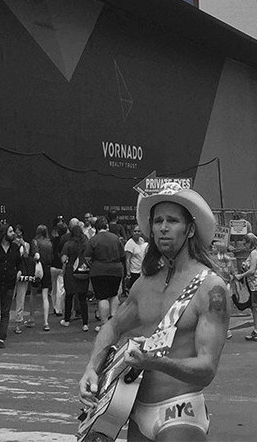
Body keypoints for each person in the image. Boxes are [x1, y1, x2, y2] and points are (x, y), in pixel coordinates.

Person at [78, 184, 228, 441]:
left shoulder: (211, 289)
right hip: (136, 410)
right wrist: (92, 367)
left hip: (182, 410)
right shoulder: (145, 284)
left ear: (190, 229)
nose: (163, 227)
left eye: (172, 220)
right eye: (158, 220)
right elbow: (114, 326)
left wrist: (156, 363)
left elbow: (207, 369)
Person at [226, 220, 257, 341]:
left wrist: (241, 276)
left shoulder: (254, 254)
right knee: (253, 307)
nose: (244, 246)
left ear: (249, 243)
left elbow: (252, 270)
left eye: (245, 244)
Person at [88, 216, 125, 329]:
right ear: (107, 226)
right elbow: (122, 256)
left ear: (96, 227)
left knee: (102, 297)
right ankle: (113, 321)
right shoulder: (116, 238)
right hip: (116, 270)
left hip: (98, 271)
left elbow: (88, 258)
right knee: (114, 295)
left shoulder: (93, 240)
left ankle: (104, 324)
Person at [61, 222, 91, 331]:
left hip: (70, 272)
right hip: (83, 272)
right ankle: (85, 323)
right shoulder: (86, 244)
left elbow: (63, 259)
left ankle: (67, 320)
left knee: (69, 296)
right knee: (82, 298)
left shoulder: (68, 244)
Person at [31, 224, 55, 331]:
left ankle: (31, 318)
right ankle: (46, 322)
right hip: (47, 269)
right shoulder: (49, 243)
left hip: (37, 269)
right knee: (45, 296)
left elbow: (36, 255)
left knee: (33, 293)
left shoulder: (35, 242)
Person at [123, 225, 148, 298]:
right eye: (135, 231)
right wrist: (128, 273)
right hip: (134, 272)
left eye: (138, 231)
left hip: (142, 271)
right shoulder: (129, 244)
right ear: (132, 232)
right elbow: (127, 259)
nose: (136, 233)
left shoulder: (142, 240)